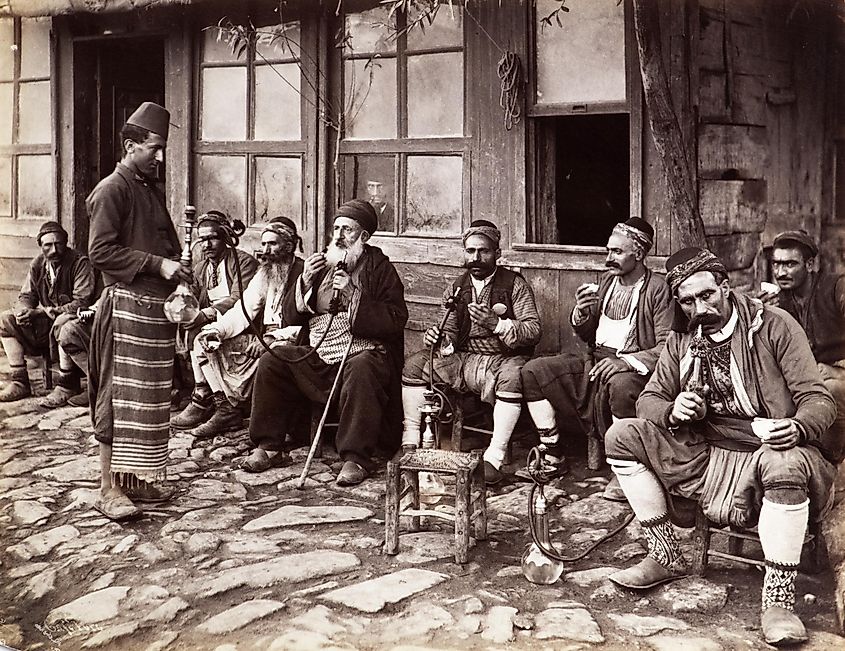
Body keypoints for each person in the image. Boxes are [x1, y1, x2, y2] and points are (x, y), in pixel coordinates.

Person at [604, 247, 837, 647]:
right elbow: (649, 399)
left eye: (707, 294)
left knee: (784, 464)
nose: (700, 306)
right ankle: (666, 555)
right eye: (688, 300)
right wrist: (673, 410)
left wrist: (797, 427)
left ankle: (778, 601)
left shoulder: (774, 326)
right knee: (621, 436)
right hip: (707, 450)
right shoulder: (682, 337)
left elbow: (820, 399)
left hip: (768, 447)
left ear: (726, 287)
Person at [244, 199, 408, 485]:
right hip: (319, 350)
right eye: (336, 229)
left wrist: (354, 294)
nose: (340, 236)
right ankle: (269, 446)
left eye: (348, 230)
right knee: (273, 360)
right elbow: (290, 316)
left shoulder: (381, 269)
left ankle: (356, 458)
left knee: (363, 369)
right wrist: (305, 281)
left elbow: (395, 319)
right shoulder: (321, 264)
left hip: (362, 350)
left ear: (364, 237)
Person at [86, 101, 190, 521]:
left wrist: (179, 271)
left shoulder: (147, 188)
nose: (160, 158)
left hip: (153, 311)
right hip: (126, 308)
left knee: (147, 399)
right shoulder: (112, 189)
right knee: (117, 396)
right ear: (131, 146)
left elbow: (160, 243)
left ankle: (136, 479)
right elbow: (100, 251)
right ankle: (107, 487)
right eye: (154, 149)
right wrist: (157, 264)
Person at [521, 218, 672, 498]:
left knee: (622, 386)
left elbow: (667, 346)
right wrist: (581, 313)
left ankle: (625, 469)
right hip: (595, 362)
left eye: (617, 252)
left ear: (638, 254)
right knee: (533, 371)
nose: (608, 258)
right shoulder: (606, 282)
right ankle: (553, 453)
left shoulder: (657, 289)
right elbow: (590, 335)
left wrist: (625, 362)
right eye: (608, 251)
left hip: (634, 369)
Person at [401, 219, 541, 485]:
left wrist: (497, 323)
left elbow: (533, 329)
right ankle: (410, 442)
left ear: (497, 254)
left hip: (502, 358)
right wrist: (439, 339)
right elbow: (449, 330)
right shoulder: (457, 286)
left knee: (514, 375)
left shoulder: (514, 284)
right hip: (463, 358)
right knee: (415, 365)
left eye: (483, 251)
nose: (476, 258)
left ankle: (494, 457)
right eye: (470, 251)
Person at [182, 218, 304, 438]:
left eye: (273, 244)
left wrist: (273, 337)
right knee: (203, 341)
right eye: (264, 244)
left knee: (274, 355)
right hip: (264, 338)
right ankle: (226, 409)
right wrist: (217, 330)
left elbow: (310, 326)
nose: (266, 251)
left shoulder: (304, 274)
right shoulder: (264, 273)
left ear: (289, 244)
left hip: (293, 342)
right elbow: (243, 309)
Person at [169, 210, 258, 435]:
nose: (207, 245)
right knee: (190, 329)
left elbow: (240, 298)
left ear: (225, 237)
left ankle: (219, 405)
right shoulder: (202, 267)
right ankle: (202, 395)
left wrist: (207, 314)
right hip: (214, 321)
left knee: (201, 332)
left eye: (212, 238)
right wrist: (184, 294)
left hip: (242, 322)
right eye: (202, 240)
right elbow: (193, 297)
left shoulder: (242, 261)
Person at [767, 230, 845, 463]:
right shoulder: (780, 300)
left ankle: (833, 464)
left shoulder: (836, 287)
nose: (781, 272)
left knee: (828, 392)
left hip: (837, 379)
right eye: (777, 264)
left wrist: (839, 369)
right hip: (810, 380)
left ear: (810, 264)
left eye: (790, 264)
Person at [0, 221, 96, 404]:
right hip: (46, 323)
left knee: (63, 323)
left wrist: (42, 313)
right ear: (41, 246)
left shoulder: (79, 263)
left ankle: (67, 384)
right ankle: (20, 381)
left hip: (77, 322)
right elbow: (27, 295)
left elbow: (82, 302)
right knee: (6, 320)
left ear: (65, 243)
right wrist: (24, 311)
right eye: (48, 245)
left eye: (58, 244)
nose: (54, 250)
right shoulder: (38, 264)